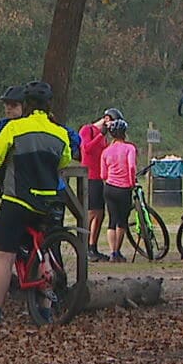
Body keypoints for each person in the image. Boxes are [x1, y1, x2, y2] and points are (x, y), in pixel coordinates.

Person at [0, 80, 74, 326]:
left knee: (5, 257)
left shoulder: (14, 128)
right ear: (48, 105)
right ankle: (45, 312)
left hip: (17, 200)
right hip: (46, 202)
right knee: (43, 253)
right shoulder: (59, 133)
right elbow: (64, 160)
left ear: (26, 104)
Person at [78, 108, 122, 259]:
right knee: (91, 212)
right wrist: (101, 135)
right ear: (106, 119)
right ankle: (83, 245)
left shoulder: (104, 137)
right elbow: (86, 149)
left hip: (100, 177)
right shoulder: (87, 130)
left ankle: (93, 246)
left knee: (100, 214)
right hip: (89, 176)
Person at [99, 118, 139, 263]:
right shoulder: (130, 148)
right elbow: (132, 167)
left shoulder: (106, 151)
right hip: (124, 188)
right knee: (122, 221)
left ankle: (112, 252)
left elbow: (103, 175)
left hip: (109, 188)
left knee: (112, 220)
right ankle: (117, 251)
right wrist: (132, 182)